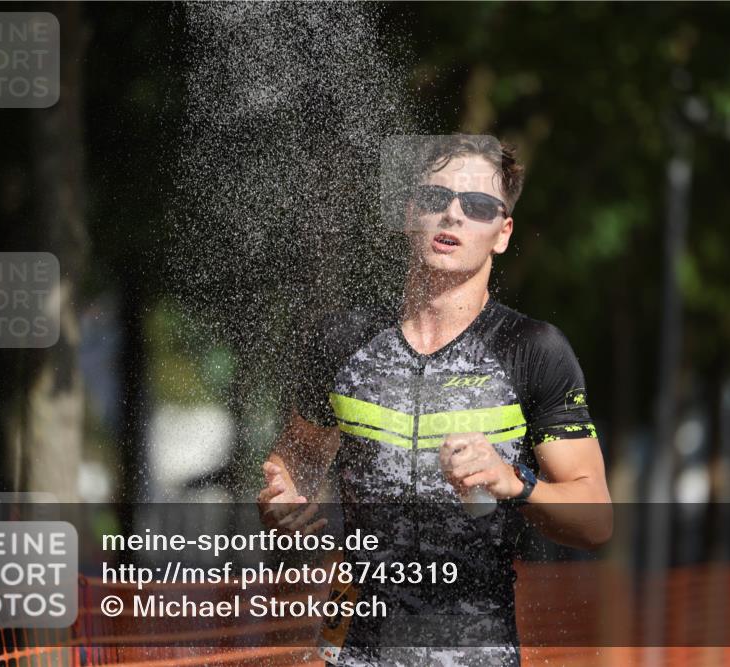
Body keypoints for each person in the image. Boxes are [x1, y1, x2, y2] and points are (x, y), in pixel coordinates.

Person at [258, 134, 612, 666]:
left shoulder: (532, 350)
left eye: (477, 207)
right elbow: (297, 456)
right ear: (408, 214)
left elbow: (595, 520)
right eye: (433, 198)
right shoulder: (343, 339)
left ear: (502, 233)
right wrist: (283, 499)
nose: (452, 215)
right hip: (351, 649)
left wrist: (512, 481)